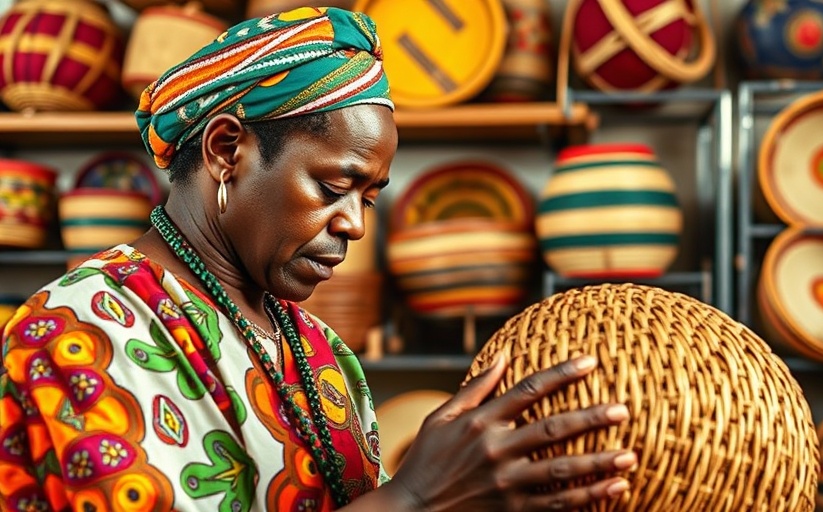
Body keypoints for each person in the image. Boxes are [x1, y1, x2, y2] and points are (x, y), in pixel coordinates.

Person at [0, 7, 637, 511]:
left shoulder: (316, 348)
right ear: (227, 149)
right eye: (333, 188)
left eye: (370, 197)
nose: (355, 224)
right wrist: (416, 500)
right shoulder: (77, 332)